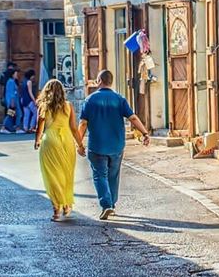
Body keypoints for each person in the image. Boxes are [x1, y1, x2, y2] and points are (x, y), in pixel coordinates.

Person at [78, 70, 150, 220]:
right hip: (116, 145)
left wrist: (79, 143)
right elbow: (133, 118)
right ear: (111, 82)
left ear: (99, 81)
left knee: (99, 175)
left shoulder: (90, 100)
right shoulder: (119, 99)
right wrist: (144, 133)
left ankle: (106, 205)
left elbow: (83, 123)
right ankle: (112, 204)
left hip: (96, 145)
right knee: (113, 175)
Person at [34, 79, 85, 221]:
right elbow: (74, 129)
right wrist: (80, 145)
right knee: (66, 175)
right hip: (67, 141)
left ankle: (56, 211)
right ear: (62, 92)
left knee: (52, 176)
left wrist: (37, 141)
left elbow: (40, 127)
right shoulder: (68, 106)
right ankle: (67, 204)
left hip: (50, 141)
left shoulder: (44, 107)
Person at [1, 69, 25, 134]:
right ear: (12, 75)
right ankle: (8, 127)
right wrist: (12, 102)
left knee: (13, 114)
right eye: (15, 74)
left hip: (14, 101)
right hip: (14, 101)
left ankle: (14, 127)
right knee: (14, 114)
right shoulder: (11, 82)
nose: (17, 75)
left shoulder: (12, 81)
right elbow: (11, 93)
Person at [21, 69, 38, 133]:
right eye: (33, 75)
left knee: (26, 114)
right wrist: (34, 100)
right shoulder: (29, 82)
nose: (34, 77)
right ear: (31, 75)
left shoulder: (23, 81)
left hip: (24, 100)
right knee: (35, 113)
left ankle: (25, 127)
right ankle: (31, 127)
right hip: (29, 100)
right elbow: (30, 92)